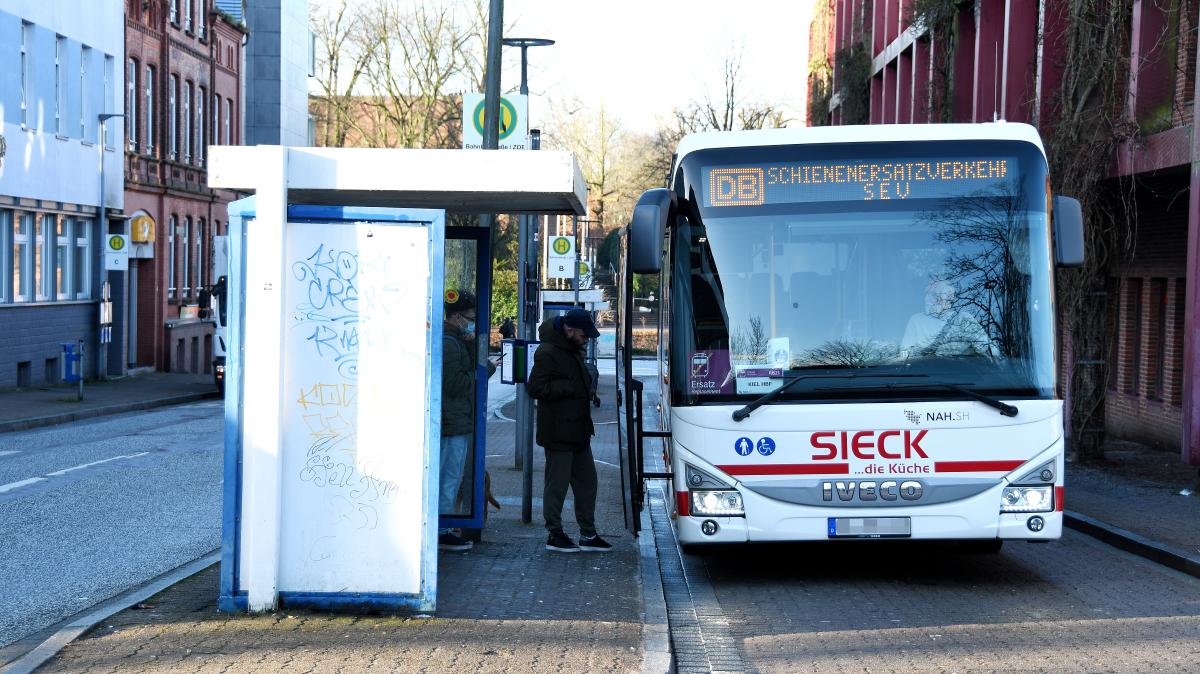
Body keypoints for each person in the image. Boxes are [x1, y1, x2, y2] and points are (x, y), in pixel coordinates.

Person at [526, 309, 613, 553]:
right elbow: (536, 388)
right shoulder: (548, 352)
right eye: (585, 335)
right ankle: (554, 534)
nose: (588, 339)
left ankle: (588, 534)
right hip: (558, 431)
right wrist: (571, 386)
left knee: (588, 482)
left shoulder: (572, 349)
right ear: (570, 330)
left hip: (578, 430)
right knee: (557, 485)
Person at [439, 289, 496, 552]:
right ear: (458, 316)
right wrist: (482, 371)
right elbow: (455, 384)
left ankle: (444, 527)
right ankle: (443, 529)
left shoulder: (455, 340)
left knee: (450, 475)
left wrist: (471, 342)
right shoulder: (449, 344)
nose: (473, 322)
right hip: (452, 423)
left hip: (454, 421)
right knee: (449, 476)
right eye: (471, 317)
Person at [900, 280, 993, 358]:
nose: (928, 300)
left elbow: (989, 349)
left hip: (961, 374)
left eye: (936, 295)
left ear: (950, 297)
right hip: (924, 374)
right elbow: (904, 353)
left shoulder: (963, 319)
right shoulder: (916, 320)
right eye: (927, 295)